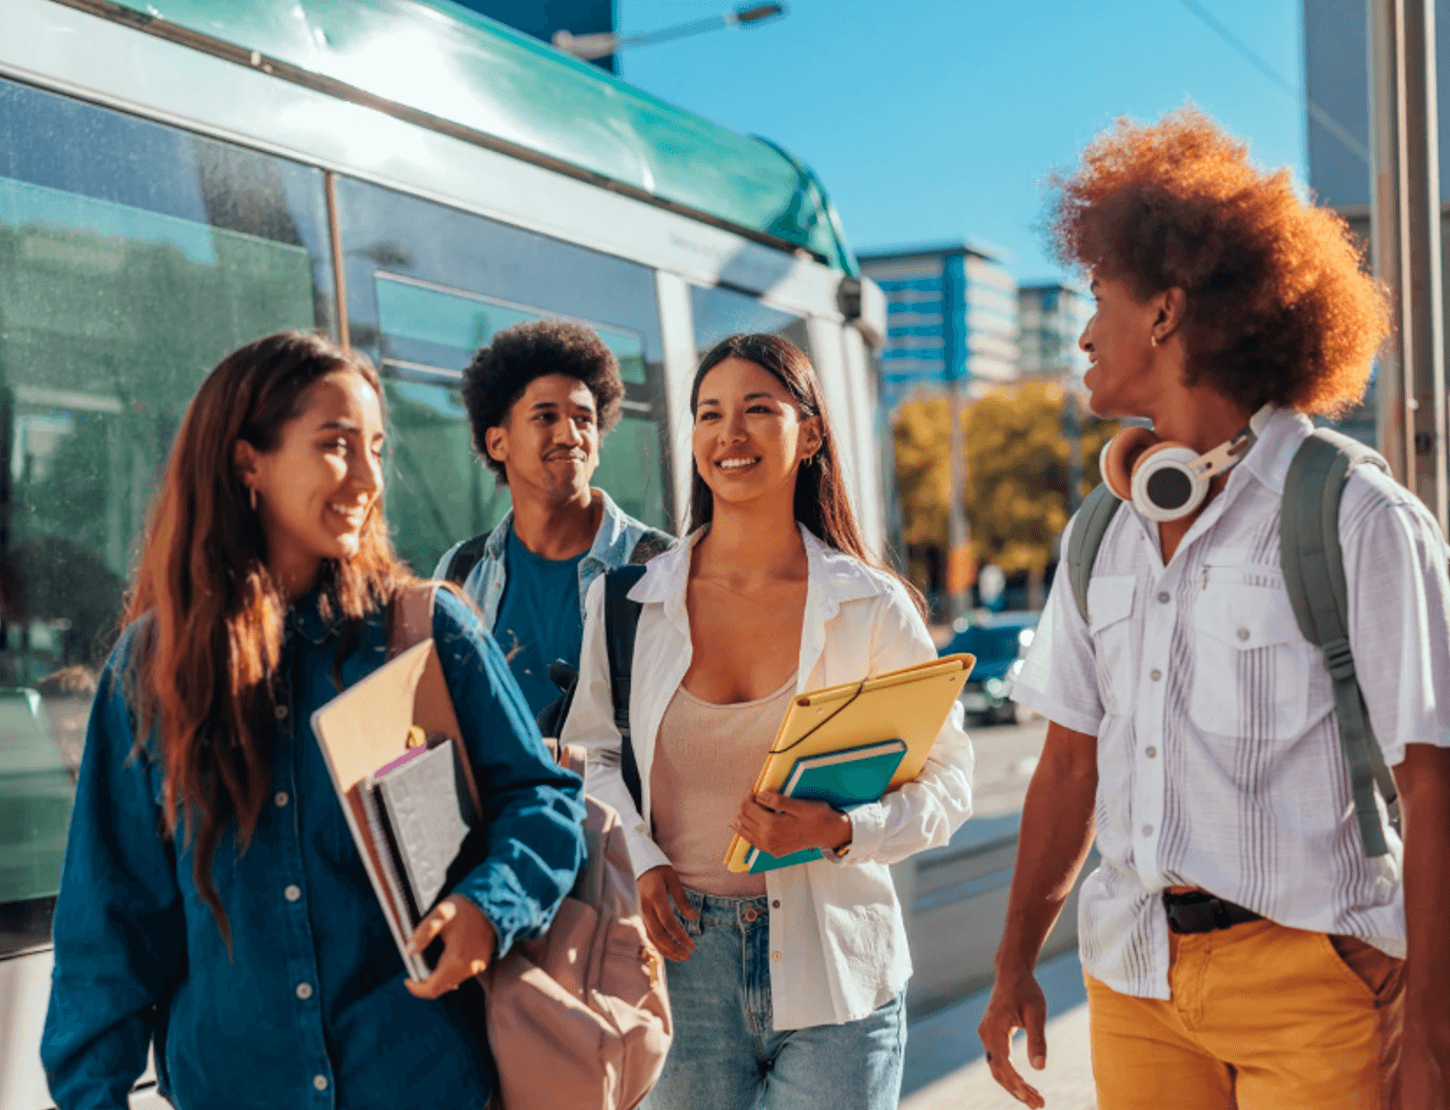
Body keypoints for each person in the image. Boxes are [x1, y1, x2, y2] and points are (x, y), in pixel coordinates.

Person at [978, 108, 1450, 1110]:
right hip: (1134, 979)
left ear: (1163, 311)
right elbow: (1068, 763)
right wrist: (1014, 960)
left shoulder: (1353, 514)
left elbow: (1432, 784)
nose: (1082, 330)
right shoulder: (1097, 532)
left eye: (1098, 296)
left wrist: (1436, 1038)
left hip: (1314, 982)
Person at [41, 332, 586, 1110]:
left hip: (420, 1086)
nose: (368, 478)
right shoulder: (153, 666)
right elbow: (110, 926)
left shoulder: (425, 633)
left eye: (375, 448)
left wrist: (487, 909)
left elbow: (542, 800)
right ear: (246, 463)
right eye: (336, 446)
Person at [561, 333, 975, 1110]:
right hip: (677, 963)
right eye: (711, 414)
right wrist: (642, 862)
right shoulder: (628, 602)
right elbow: (591, 755)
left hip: (837, 975)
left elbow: (949, 782)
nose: (731, 434)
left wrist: (839, 830)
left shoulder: (870, 605)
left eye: (759, 409)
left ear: (810, 432)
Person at [434, 319, 674, 718]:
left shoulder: (661, 565)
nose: (570, 435)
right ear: (498, 442)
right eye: (545, 417)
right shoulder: (461, 571)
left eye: (584, 419)